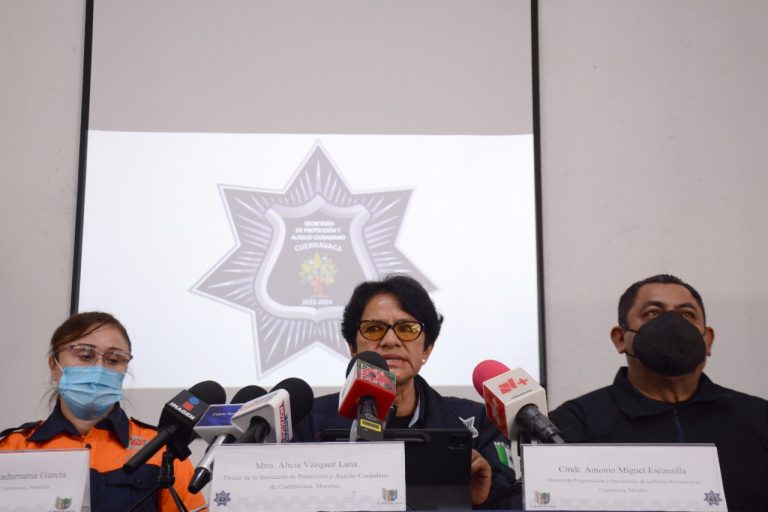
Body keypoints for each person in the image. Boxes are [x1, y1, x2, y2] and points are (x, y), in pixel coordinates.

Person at [294, 275, 517, 508]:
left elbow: (507, 497)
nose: (390, 340)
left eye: (407, 329)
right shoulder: (309, 422)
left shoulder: (479, 424)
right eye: (373, 329)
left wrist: (479, 498)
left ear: (427, 349)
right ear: (353, 348)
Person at [549, 274, 768, 512]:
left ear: (707, 340)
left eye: (687, 315)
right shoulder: (574, 422)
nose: (673, 324)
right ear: (620, 339)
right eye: (654, 313)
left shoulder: (759, 417)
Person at [0, 312, 205, 512]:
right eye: (85, 356)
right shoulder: (12, 447)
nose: (99, 369)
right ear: (54, 366)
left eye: (113, 360)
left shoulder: (161, 449)